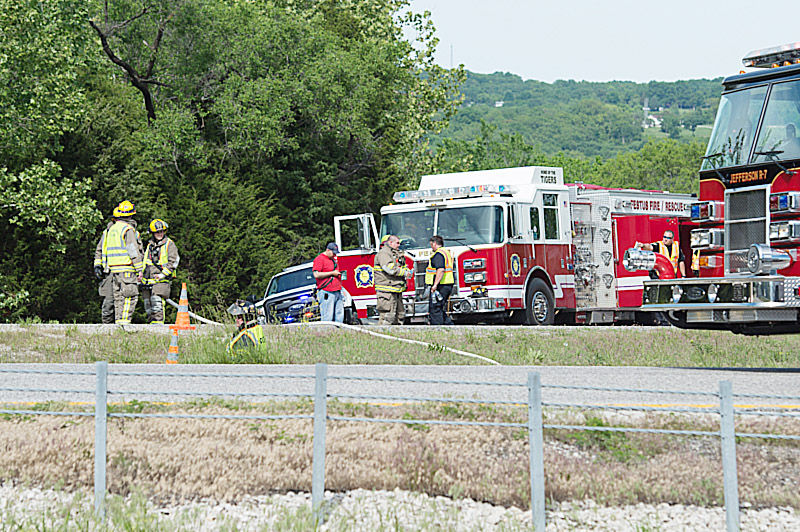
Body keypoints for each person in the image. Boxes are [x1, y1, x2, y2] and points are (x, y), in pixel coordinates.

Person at [96, 200, 144, 324]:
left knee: (118, 298)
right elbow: (132, 251)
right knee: (129, 296)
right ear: (131, 215)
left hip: (114, 269)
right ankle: (123, 323)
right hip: (126, 268)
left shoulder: (112, 229)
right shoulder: (127, 229)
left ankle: (118, 322)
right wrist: (139, 270)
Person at [140, 219, 180, 324]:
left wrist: (162, 275)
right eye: (157, 232)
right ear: (152, 233)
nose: (160, 234)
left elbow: (174, 262)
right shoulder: (150, 246)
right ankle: (151, 325)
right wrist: (141, 275)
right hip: (148, 280)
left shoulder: (169, 244)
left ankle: (158, 325)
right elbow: (145, 261)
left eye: (162, 231)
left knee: (157, 302)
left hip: (162, 279)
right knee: (148, 305)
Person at [374, 234, 413, 325]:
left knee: (399, 316)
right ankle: (383, 337)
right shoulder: (384, 253)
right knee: (387, 317)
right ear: (390, 243)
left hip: (396, 289)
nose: (399, 245)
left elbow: (401, 266)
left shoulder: (395, 253)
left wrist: (407, 271)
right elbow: (389, 268)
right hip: (386, 291)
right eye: (397, 243)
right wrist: (404, 272)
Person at [425, 235, 454, 325]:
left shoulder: (438, 254)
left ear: (434, 243)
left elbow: (440, 270)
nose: (431, 247)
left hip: (441, 285)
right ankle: (449, 326)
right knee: (439, 308)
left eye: (431, 245)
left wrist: (435, 285)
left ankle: (437, 330)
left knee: (435, 309)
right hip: (446, 284)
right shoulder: (445, 252)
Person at [313, 242, 344, 323]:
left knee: (339, 314)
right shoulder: (319, 259)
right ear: (327, 250)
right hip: (327, 291)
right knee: (328, 316)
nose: (335, 255)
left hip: (337, 290)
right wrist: (332, 273)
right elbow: (316, 274)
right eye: (333, 253)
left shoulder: (333, 260)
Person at [93, 219, 116, 324]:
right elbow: (99, 250)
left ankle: (120, 327)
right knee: (108, 301)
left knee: (122, 302)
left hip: (125, 271)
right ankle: (106, 326)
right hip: (109, 271)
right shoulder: (107, 232)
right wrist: (97, 265)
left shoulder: (129, 232)